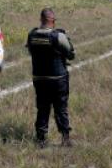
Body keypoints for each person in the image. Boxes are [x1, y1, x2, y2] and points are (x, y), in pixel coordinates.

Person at [26, 8, 76, 148]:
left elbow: (31, 51)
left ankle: (41, 139)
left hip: (39, 79)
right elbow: (71, 54)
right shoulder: (58, 36)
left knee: (42, 108)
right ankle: (65, 138)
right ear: (52, 21)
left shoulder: (32, 35)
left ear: (41, 19)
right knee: (61, 108)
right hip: (58, 78)